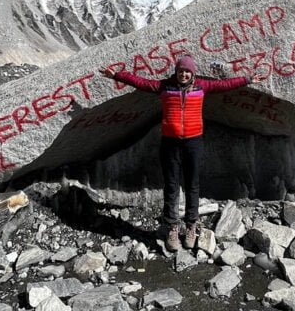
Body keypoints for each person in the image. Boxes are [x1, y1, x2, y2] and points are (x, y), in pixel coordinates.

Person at [101, 55, 262, 251]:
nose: (184, 74)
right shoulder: (165, 86)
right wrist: (117, 76)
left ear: (192, 73)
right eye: (181, 71)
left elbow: (224, 85)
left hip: (193, 143)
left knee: (193, 185)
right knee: (171, 186)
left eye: (187, 71)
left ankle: (192, 226)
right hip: (170, 143)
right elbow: (141, 83)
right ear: (176, 72)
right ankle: (172, 228)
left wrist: (247, 79)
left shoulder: (203, 86)